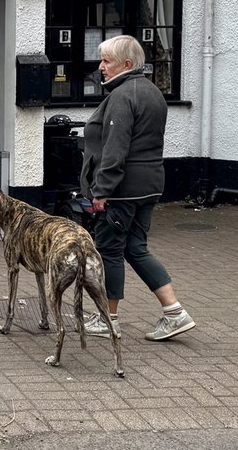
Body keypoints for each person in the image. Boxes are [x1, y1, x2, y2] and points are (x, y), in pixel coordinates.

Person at [80, 34, 195, 341]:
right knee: (135, 248)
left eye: (107, 61)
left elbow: (115, 149)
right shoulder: (152, 92)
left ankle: (107, 319)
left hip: (122, 189)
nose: (101, 67)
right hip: (150, 185)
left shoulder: (122, 96)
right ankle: (175, 313)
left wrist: (101, 191)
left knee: (109, 251)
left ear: (127, 64)